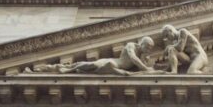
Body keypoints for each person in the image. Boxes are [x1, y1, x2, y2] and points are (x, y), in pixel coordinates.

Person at [26, 36, 156, 75]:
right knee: (91, 64)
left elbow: (142, 64)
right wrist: (146, 69)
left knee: (85, 68)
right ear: (142, 43)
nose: (149, 49)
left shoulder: (143, 54)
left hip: (116, 69)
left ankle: (68, 69)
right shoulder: (131, 45)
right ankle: (53, 68)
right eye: (148, 46)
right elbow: (133, 59)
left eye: (151, 48)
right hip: (113, 63)